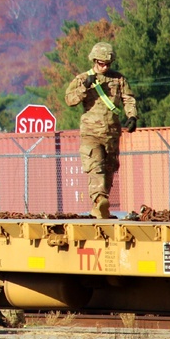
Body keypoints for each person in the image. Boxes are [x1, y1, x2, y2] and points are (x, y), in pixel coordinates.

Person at [65, 41, 138, 219]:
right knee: (95, 167)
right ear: (94, 60)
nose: (104, 67)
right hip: (91, 133)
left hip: (112, 133)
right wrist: (85, 87)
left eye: (107, 64)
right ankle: (99, 199)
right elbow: (69, 100)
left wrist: (132, 116)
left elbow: (128, 99)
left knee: (109, 169)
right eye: (101, 63)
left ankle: (99, 208)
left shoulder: (118, 79)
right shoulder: (83, 78)